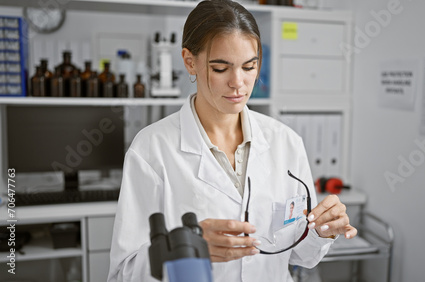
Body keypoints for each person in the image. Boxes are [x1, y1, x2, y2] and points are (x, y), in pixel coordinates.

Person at [107, 1, 357, 281]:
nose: (238, 83)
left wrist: (322, 232)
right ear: (190, 61)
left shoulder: (286, 142)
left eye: (249, 66)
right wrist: (186, 250)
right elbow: (123, 273)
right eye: (220, 68)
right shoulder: (151, 150)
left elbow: (300, 256)